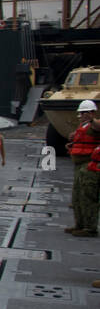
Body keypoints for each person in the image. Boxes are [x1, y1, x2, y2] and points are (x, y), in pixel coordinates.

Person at [69, 100, 100, 236]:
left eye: (85, 112)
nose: (82, 115)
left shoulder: (95, 124)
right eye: (81, 113)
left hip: (89, 166)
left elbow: (98, 127)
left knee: (87, 196)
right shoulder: (82, 126)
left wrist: (92, 120)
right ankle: (79, 224)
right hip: (79, 165)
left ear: (92, 112)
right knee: (77, 197)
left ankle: (90, 228)